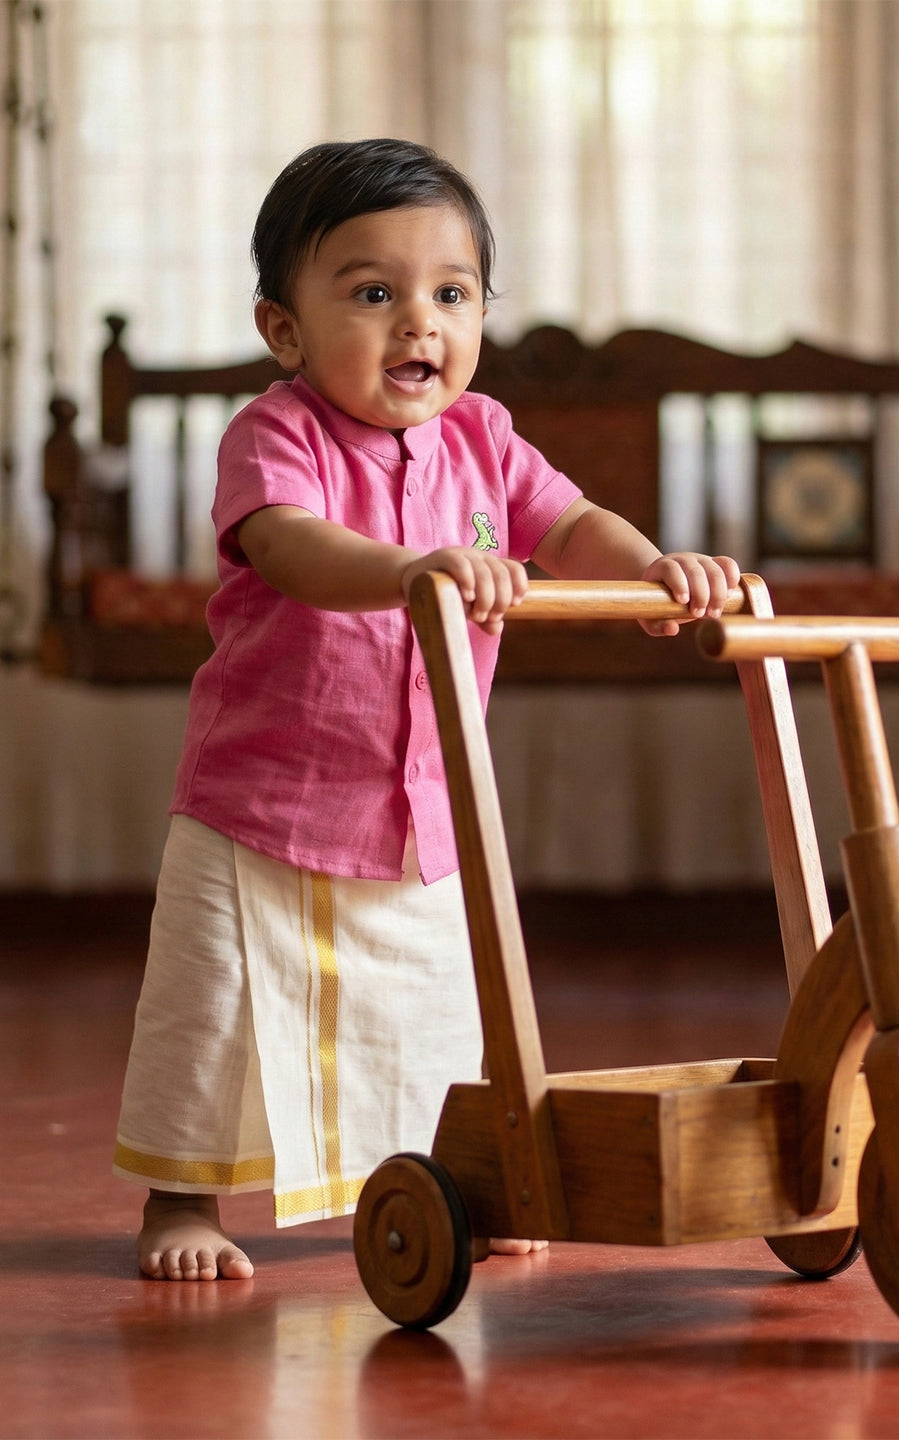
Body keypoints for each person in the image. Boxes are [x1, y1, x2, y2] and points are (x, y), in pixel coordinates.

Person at [113, 138, 741, 1281]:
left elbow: (570, 524)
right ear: (285, 330)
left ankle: (466, 1180)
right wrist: (413, 569)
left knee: (437, 1007)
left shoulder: (483, 437)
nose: (419, 323)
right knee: (218, 1005)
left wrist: (654, 568)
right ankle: (182, 1201)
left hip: (421, 807)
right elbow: (289, 546)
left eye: (452, 294)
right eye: (373, 295)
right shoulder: (277, 434)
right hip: (260, 800)